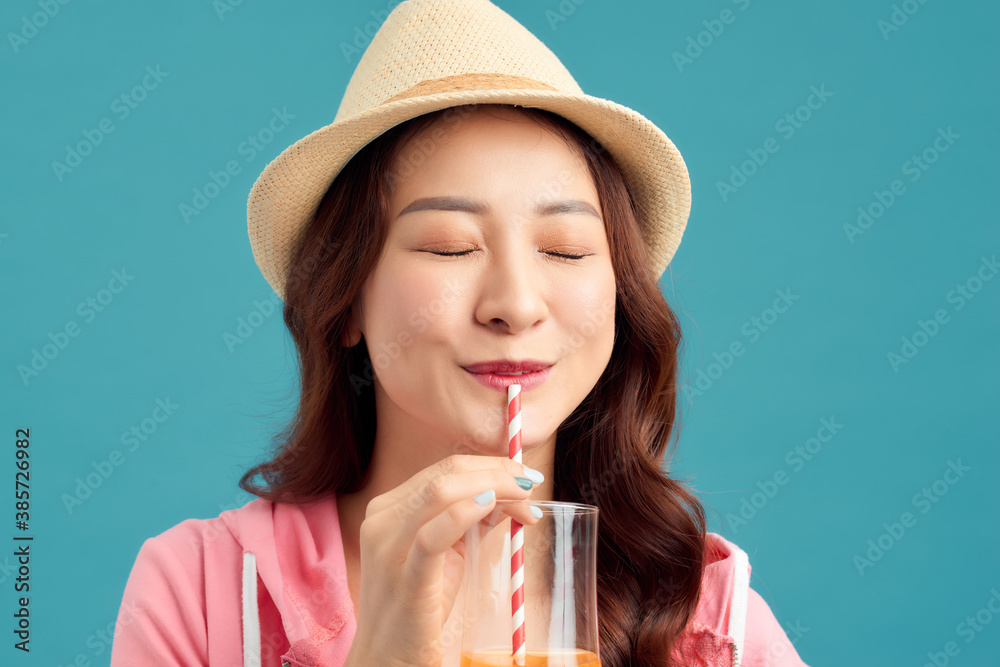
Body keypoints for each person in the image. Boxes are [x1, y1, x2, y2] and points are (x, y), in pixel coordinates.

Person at [111, 1, 810, 665]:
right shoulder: (199, 593)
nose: (514, 303)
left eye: (565, 248)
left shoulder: (715, 624)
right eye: (449, 246)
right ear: (347, 298)